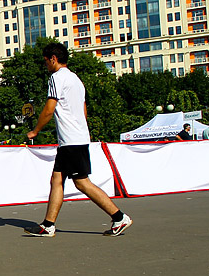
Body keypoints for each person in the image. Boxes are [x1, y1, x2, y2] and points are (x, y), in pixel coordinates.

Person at [24, 42, 132, 238]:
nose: (46, 65)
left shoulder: (56, 78)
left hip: (71, 140)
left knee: (81, 183)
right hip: (76, 138)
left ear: (53, 59)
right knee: (57, 179)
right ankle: (48, 224)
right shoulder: (76, 80)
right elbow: (83, 110)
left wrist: (35, 131)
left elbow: (49, 109)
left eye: (46, 61)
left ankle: (119, 217)